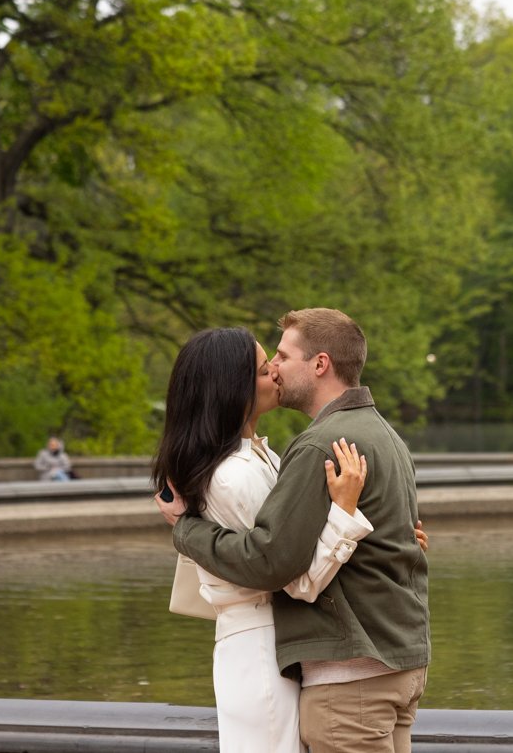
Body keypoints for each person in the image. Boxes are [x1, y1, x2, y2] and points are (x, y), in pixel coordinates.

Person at [159, 308, 430, 753]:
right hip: (295, 650)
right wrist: (356, 525)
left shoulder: (299, 450)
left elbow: (278, 563)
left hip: (337, 664)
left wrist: (185, 531)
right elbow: (282, 567)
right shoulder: (379, 434)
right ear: (231, 386)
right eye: (265, 366)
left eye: (280, 358)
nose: (275, 370)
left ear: (320, 364)